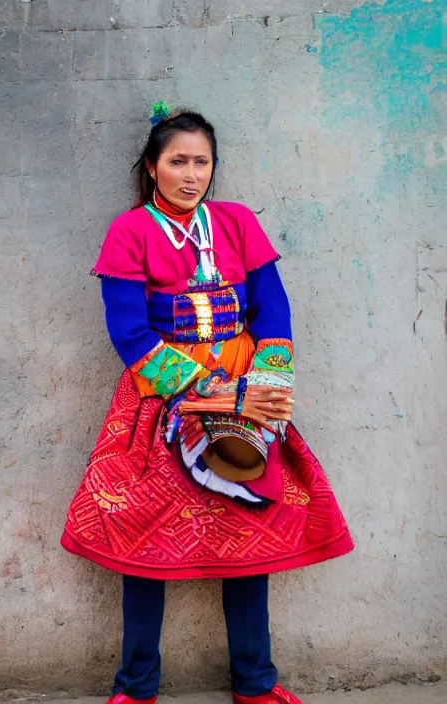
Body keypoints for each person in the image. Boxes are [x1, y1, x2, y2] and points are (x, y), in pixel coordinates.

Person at [61, 103, 354, 704]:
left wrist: (263, 387)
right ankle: (136, 686)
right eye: (178, 161)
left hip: (245, 397)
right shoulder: (130, 231)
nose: (191, 174)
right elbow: (128, 331)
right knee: (143, 540)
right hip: (162, 399)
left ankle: (255, 682)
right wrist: (198, 387)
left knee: (249, 532)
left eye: (202, 162)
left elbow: (272, 308)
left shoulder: (239, 222)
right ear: (151, 166)